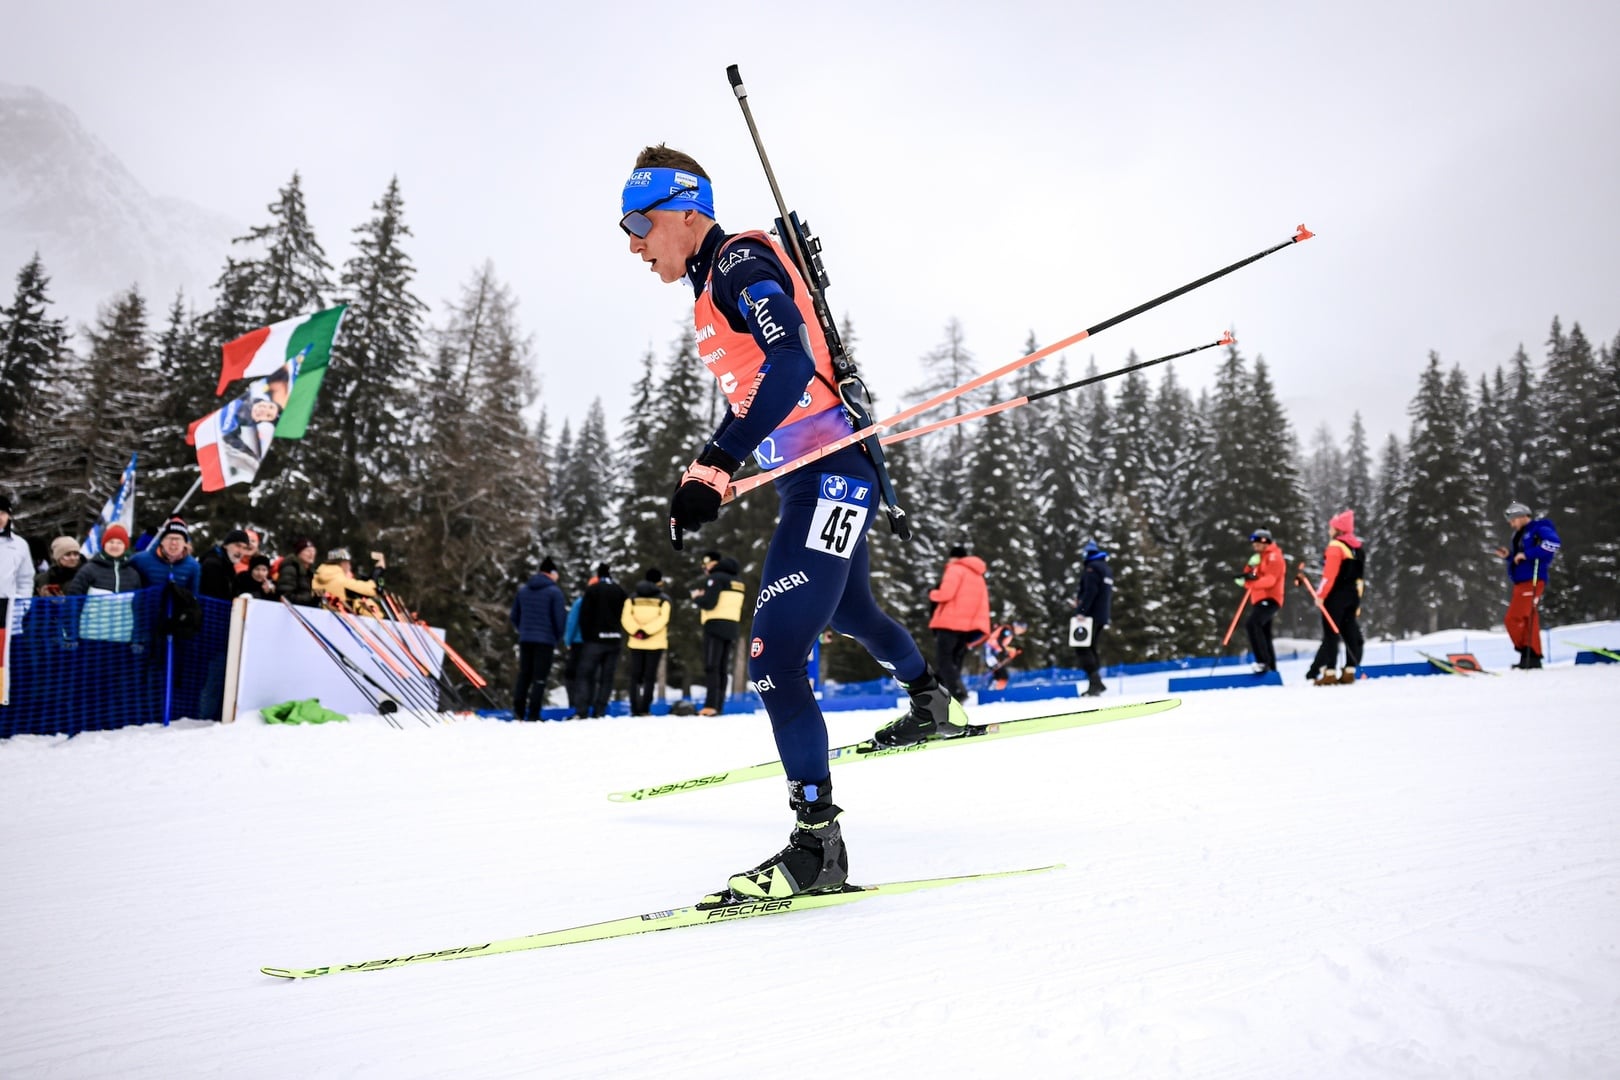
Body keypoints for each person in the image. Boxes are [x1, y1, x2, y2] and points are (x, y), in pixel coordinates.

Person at [621, 146, 969, 902]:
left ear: (687, 211)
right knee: (854, 610)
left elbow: (787, 365)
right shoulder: (712, 286)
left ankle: (818, 847)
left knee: (774, 653)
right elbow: (759, 390)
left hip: (832, 480)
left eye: (639, 222)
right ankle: (929, 697)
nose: (634, 243)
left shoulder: (740, 263)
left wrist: (718, 461)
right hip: (818, 479)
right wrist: (713, 468)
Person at [1300, 510, 1365, 685]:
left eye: (1331, 528)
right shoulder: (1356, 548)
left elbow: (1329, 575)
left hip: (1335, 596)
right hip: (1353, 595)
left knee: (1331, 634)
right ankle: (1349, 670)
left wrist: (1321, 595)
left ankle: (1329, 672)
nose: (1329, 531)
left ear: (1338, 529)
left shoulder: (1335, 546)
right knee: (1349, 631)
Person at [1494, 501, 1560, 669]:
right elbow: (1519, 557)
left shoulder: (1539, 528)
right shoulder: (1520, 534)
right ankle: (1533, 657)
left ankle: (1526, 651)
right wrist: (1509, 555)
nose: (1511, 524)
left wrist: (1528, 554)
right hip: (1522, 581)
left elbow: (1553, 544)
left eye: (1513, 520)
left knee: (1513, 618)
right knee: (1529, 618)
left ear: (1522, 517)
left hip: (1533, 580)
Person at [927, 544, 991, 702]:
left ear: (954, 557)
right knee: (955, 659)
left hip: (949, 622)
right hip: (967, 626)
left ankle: (957, 692)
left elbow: (945, 594)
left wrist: (932, 593)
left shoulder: (955, 569)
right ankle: (941, 692)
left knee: (944, 659)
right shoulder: (978, 575)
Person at [510, 556, 566, 721]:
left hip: (526, 639)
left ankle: (518, 710)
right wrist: (557, 637)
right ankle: (534, 713)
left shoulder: (524, 590)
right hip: (545, 640)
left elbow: (514, 615)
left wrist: (523, 630)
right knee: (539, 677)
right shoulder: (554, 592)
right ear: (552, 573)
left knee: (524, 675)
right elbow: (559, 618)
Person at [691, 551, 747, 716]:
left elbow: (709, 603)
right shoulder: (738, 581)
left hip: (714, 624)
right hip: (732, 625)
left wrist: (697, 597)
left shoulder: (715, 578)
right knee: (722, 668)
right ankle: (719, 705)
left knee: (712, 666)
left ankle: (710, 705)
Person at [575, 563, 627, 719]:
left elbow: (584, 615)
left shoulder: (592, 590)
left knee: (585, 675)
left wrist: (586, 636)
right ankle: (600, 710)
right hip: (614, 639)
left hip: (594, 640)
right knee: (607, 677)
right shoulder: (619, 590)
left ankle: (582, 710)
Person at [622, 568, 672, 716]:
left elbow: (625, 618)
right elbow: (663, 619)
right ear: (659, 581)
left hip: (635, 642)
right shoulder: (664, 599)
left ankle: (634, 707)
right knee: (649, 676)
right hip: (655, 643)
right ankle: (645, 708)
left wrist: (637, 631)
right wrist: (647, 632)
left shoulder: (632, 598)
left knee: (635, 675)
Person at [1237, 528, 1286, 674]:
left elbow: (1270, 580)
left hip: (1270, 598)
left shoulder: (1274, 557)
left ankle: (1263, 662)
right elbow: (1250, 576)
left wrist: (1251, 582)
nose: (1254, 545)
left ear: (1265, 542)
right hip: (1259, 598)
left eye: (1258, 542)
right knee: (1264, 633)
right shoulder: (1260, 558)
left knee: (1253, 624)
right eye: (1253, 542)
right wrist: (1248, 571)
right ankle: (1271, 667)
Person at [1073, 541, 1114, 695]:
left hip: (1089, 616)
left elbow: (1091, 591)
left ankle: (1095, 682)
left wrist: (1081, 611)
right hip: (1102, 615)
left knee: (1082, 648)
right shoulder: (1106, 569)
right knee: (1091, 647)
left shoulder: (1092, 569)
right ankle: (1097, 683)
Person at [131, 517, 202, 593]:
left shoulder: (193, 566)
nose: (174, 543)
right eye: (170, 538)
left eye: (178, 539)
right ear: (162, 541)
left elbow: (194, 598)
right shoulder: (139, 560)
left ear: (185, 543)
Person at [311, 547, 386, 607]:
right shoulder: (339, 579)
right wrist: (378, 572)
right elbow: (370, 591)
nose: (350, 566)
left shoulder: (317, 576)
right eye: (348, 563)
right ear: (343, 563)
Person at [199, 529, 253, 601]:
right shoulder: (213, 564)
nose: (240, 551)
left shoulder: (228, 565)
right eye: (237, 545)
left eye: (244, 548)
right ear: (225, 545)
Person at [979, 619, 1028, 690]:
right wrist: (1005, 651)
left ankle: (994, 691)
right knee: (1002, 675)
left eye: (1023, 631)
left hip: (993, 652)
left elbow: (1002, 644)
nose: (1021, 632)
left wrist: (1012, 650)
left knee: (999, 675)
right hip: (989, 651)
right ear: (1016, 626)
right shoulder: (1008, 630)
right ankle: (993, 691)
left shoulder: (1010, 632)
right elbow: (999, 640)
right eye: (1021, 629)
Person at [0, 492, 33, 599]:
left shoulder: (19, 545)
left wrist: (21, 606)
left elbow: (25, 579)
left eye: (3, 513)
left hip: (7, 608)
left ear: (9, 516)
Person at [275, 537, 320, 606]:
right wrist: (309, 599)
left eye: (313, 551)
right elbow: (285, 596)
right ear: (299, 552)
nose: (311, 554)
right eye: (308, 551)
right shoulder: (290, 568)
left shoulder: (310, 572)